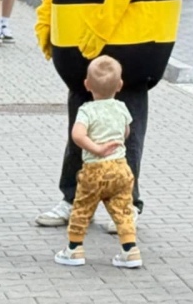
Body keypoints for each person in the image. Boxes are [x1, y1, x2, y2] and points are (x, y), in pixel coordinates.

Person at [53, 55, 143, 269]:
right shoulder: (121, 107)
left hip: (95, 170)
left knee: (82, 209)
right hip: (120, 168)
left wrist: (96, 148)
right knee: (123, 210)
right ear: (120, 85)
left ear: (87, 84)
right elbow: (126, 132)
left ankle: (74, 249)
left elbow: (78, 135)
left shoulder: (87, 110)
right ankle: (130, 251)